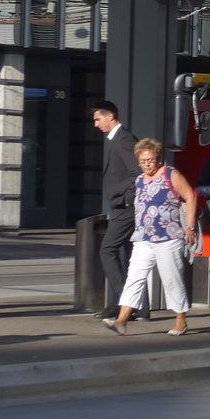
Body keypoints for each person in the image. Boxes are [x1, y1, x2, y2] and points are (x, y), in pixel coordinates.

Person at [102, 139, 198, 336]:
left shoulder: (171, 174)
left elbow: (190, 196)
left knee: (171, 279)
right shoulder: (139, 180)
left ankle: (181, 320)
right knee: (134, 278)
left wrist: (190, 226)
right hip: (143, 237)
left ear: (158, 159)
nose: (147, 164)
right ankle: (121, 320)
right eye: (143, 161)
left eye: (151, 160)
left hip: (168, 236)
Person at [92, 100, 144, 321]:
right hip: (122, 207)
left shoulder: (124, 140)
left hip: (126, 209)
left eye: (97, 119)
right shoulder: (117, 140)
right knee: (126, 255)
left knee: (108, 250)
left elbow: (137, 174)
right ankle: (128, 305)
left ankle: (126, 304)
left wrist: (126, 200)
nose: (95, 124)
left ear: (110, 116)